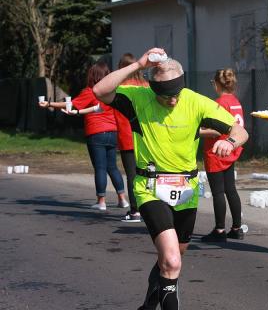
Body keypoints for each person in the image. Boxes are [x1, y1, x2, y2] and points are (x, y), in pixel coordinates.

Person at [92, 48, 248, 310]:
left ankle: (148, 305)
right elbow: (100, 91)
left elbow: (240, 130)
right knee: (173, 261)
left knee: (173, 258)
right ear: (153, 89)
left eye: (176, 94)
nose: (172, 101)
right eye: (165, 96)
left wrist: (230, 142)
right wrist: (138, 65)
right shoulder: (138, 98)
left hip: (186, 190)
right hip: (150, 187)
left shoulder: (195, 101)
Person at [39, 62, 129, 211]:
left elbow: (72, 105)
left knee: (100, 167)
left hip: (96, 133)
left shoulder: (91, 91)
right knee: (113, 167)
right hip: (113, 132)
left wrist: (49, 103)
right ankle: (123, 199)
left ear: (92, 75)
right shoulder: (113, 91)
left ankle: (101, 201)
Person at [200, 68, 245, 242]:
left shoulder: (219, 103)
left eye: (213, 83)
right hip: (231, 149)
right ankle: (237, 227)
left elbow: (215, 130)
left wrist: (198, 131)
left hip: (216, 151)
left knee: (218, 192)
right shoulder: (235, 101)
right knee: (230, 189)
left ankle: (219, 230)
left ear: (218, 84)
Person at [116, 53, 149, 222]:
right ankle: (149, 206)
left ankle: (135, 210)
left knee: (131, 175)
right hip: (146, 136)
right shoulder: (146, 86)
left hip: (127, 136)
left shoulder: (121, 87)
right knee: (147, 173)